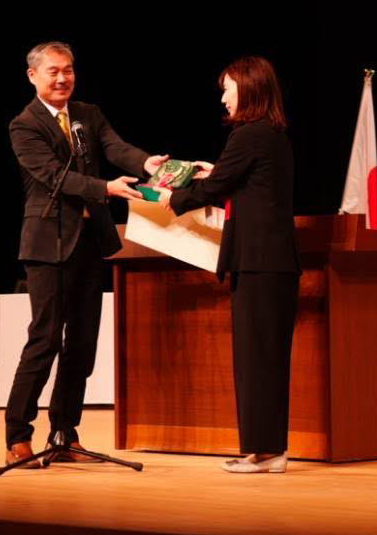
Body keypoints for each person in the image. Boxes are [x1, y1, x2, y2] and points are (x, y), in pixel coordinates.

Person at [4, 41, 168, 468]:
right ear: (33, 76)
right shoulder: (24, 125)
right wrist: (105, 188)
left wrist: (147, 163)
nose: (63, 79)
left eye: (69, 70)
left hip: (89, 242)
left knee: (81, 344)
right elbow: (53, 176)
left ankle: (65, 432)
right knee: (44, 340)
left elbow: (116, 148)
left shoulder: (88, 115)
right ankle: (17, 435)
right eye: (54, 71)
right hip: (48, 244)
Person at [155, 56, 300, 473]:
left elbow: (216, 187)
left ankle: (265, 451)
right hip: (271, 263)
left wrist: (173, 197)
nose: (223, 98)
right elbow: (239, 180)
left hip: (259, 262)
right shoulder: (270, 134)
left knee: (257, 359)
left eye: (228, 89)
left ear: (249, 88)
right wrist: (216, 172)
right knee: (266, 359)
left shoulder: (249, 135)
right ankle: (268, 449)